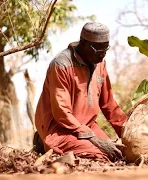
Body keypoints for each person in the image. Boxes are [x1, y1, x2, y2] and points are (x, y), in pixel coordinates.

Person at [33, 22, 127, 162]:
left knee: (119, 154)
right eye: (98, 51)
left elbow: (109, 105)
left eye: (105, 50)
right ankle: (44, 141)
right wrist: (93, 139)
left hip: (87, 127)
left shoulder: (100, 63)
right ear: (83, 43)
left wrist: (127, 131)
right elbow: (62, 113)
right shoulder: (61, 65)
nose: (102, 56)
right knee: (100, 155)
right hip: (59, 129)